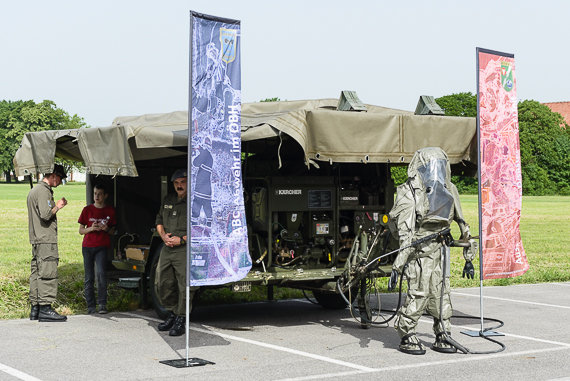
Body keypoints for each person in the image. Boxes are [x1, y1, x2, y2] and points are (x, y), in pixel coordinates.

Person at [387, 147, 477, 355]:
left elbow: (462, 222)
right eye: (430, 167)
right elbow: (405, 234)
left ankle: (442, 332)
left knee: (441, 293)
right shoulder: (409, 193)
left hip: (439, 251)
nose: (435, 171)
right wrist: (399, 265)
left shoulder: (448, 189)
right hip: (417, 252)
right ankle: (407, 333)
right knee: (419, 292)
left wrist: (469, 255)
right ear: (420, 168)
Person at [27, 164, 68, 322]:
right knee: (48, 273)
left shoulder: (34, 191)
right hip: (46, 240)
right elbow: (45, 214)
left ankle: (35, 309)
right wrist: (57, 206)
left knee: (36, 273)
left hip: (37, 239)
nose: (60, 182)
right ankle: (45, 308)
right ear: (54, 175)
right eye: (60, 178)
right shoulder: (43, 191)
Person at [155, 169, 189, 336]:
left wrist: (182, 239)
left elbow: (201, 228)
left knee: (184, 285)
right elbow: (159, 220)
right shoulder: (168, 199)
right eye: (176, 183)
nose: (179, 186)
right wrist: (163, 236)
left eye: (182, 182)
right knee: (162, 281)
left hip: (184, 248)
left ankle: (181, 319)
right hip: (167, 247)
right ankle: (172, 313)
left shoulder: (194, 202)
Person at [78, 183, 116, 314]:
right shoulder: (87, 210)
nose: (97, 196)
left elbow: (114, 232)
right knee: (89, 277)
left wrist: (106, 229)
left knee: (101, 274)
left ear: (105, 196)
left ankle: (102, 304)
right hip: (88, 247)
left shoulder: (110, 211)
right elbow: (81, 230)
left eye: (99, 194)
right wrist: (91, 228)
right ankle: (90, 306)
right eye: (95, 193)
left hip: (102, 247)